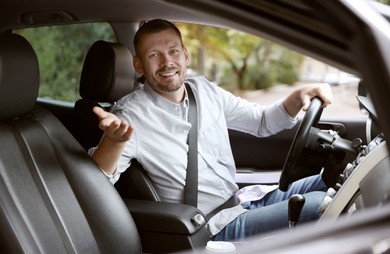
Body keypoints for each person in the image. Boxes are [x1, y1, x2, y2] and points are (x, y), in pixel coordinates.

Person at [89, 19, 334, 241]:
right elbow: (96, 183)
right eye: (154, 55)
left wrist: (300, 94)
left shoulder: (204, 90)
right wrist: (114, 142)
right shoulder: (130, 116)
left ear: (185, 55)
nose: (167, 62)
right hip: (212, 228)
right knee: (321, 206)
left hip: (241, 202)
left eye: (173, 51)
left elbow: (261, 121)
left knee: (332, 179)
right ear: (139, 65)